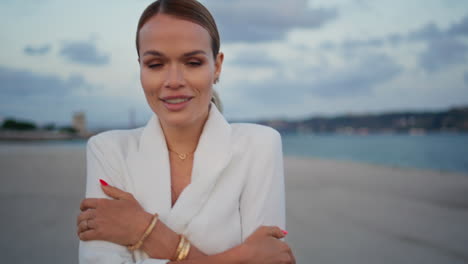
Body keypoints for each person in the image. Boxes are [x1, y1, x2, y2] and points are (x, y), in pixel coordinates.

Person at [76, 0, 295, 263]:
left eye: (192, 62)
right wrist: (237, 257)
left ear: (217, 66)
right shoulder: (108, 150)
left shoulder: (260, 145)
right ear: (141, 68)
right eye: (156, 64)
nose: (174, 81)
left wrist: (146, 231)